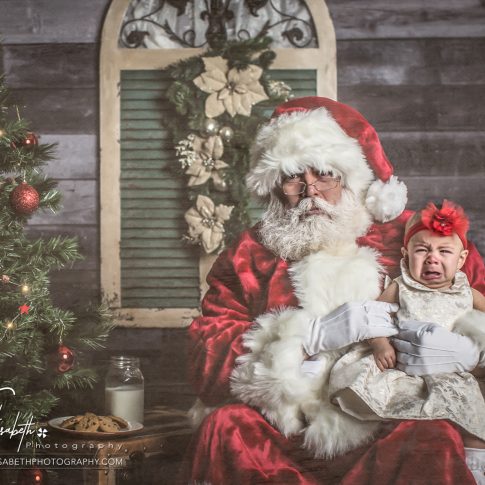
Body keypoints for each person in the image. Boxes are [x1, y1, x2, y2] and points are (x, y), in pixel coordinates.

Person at [182, 96, 485, 484]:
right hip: (286, 429)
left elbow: (474, 297)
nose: (310, 190)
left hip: (389, 419)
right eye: (293, 176)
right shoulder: (249, 252)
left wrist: (473, 354)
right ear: (275, 186)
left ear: (351, 177)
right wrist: (306, 338)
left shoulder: (415, 237)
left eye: (325, 173)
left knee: (431, 435)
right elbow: (204, 355)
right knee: (225, 426)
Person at [328, 199, 485, 483]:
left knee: (474, 417)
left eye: (444, 251)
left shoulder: (469, 293)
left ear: (461, 259)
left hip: (456, 372)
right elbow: (374, 317)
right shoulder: (401, 286)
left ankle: (476, 466)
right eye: (422, 250)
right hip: (407, 370)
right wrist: (380, 344)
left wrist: (474, 351)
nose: (432, 258)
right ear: (405, 254)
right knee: (416, 420)